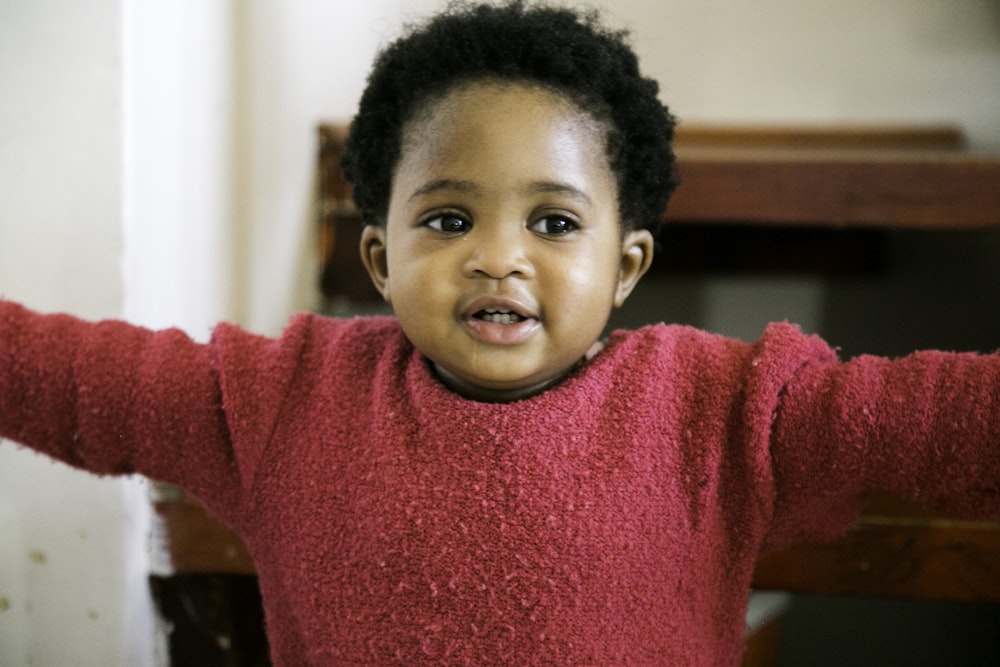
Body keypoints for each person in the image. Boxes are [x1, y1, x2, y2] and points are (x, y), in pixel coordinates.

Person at [2, 1, 999, 664]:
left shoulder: (720, 409)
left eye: (554, 223)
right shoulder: (285, 399)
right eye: (446, 219)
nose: (496, 256)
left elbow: (924, 418)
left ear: (625, 267)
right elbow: (79, 379)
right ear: (382, 261)